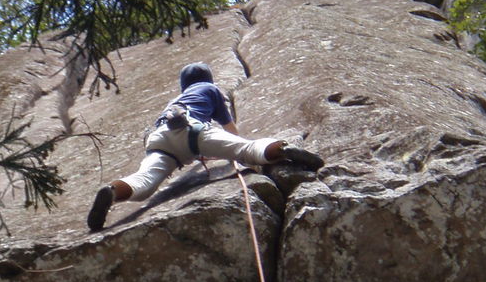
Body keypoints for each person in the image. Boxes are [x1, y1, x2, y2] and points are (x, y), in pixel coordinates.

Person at [87, 62, 324, 231]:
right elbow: (230, 128)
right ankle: (282, 150)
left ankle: (113, 191)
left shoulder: (175, 100)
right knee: (247, 150)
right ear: (208, 78)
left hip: (160, 139)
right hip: (193, 131)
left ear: (183, 84)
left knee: (145, 182)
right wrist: (232, 152)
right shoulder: (209, 89)